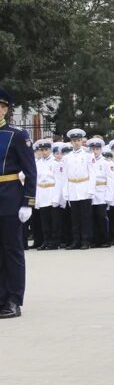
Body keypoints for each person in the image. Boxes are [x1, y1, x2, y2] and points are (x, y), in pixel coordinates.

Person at [0, 85, 36, 319]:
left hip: (9, 196)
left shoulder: (17, 135)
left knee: (11, 250)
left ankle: (13, 299)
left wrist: (28, 202)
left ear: (4, 110)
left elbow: (31, 172)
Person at [33, 139, 60, 250]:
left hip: (52, 191)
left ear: (50, 150)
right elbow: (36, 182)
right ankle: (46, 240)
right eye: (42, 150)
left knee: (54, 220)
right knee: (44, 221)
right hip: (42, 193)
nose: (44, 152)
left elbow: (59, 181)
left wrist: (57, 197)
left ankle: (54, 241)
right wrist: (37, 198)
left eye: (46, 150)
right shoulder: (38, 164)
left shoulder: (55, 163)